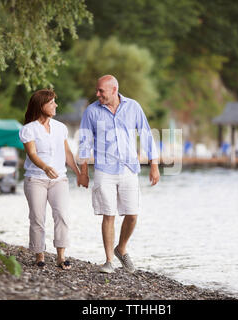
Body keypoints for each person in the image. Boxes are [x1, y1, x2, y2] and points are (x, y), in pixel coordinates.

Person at [78, 75, 160, 273]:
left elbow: (146, 134)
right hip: (104, 170)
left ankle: (121, 248)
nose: (97, 94)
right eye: (97, 91)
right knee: (109, 214)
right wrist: (83, 172)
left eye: (101, 91)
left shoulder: (133, 107)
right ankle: (108, 261)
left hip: (129, 169)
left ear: (114, 90)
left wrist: (154, 164)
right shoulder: (91, 111)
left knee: (132, 214)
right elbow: (84, 143)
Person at [19, 88, 87, 269]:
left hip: (59, 180)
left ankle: (61, 257)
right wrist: (44, 167)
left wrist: (78, 173)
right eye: (51, 103)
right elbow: (32, 153)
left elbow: (67, 153)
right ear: (41, 106)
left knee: (62, 215)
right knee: (37, 218)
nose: (56, 105)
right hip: (36, 179)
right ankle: (39, 255)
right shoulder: (28, 129)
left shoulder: (60, 128)